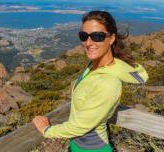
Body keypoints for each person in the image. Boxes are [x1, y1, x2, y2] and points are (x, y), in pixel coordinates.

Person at [33, 10, 149, 152]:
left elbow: (79, 126)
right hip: (78, 145)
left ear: (111, 38)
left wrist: (47, 130)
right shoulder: (93, 66)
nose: (88, 42)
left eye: (97, 36)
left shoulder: (109, 83)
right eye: (84, 36)